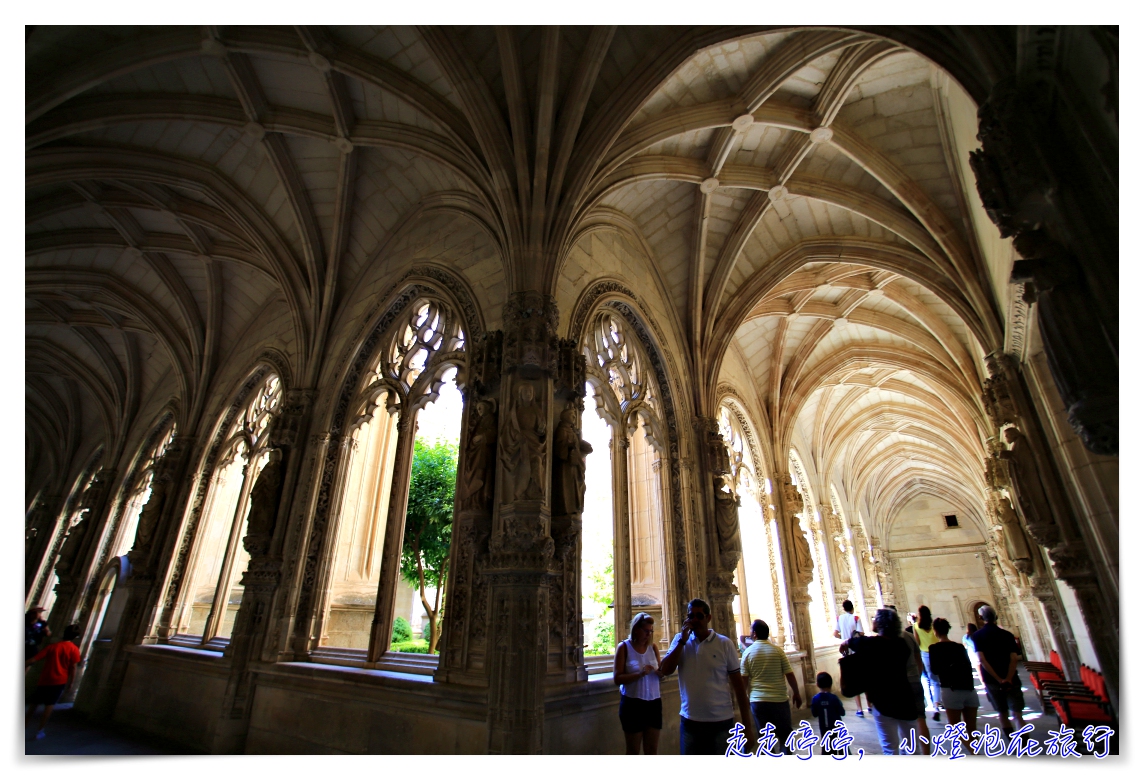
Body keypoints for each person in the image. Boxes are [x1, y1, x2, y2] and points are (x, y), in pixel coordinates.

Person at [659, 598, 756, 754]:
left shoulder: (725, 644)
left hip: (721, 722)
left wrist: (747, 727)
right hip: (690, 721)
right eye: (691, 616)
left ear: (708, 618)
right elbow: (664, 670)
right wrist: (682, 642)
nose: (695, 620)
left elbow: (739, 687)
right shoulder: (680, 641)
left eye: (699, 616)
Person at [842, 609, 918, 755]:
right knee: (912, 747)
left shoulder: (874, 644)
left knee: (890, 748)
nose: (872, 620)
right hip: (905, 699)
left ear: (881, 623)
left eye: (875, 618)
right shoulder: (901, 644)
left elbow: (857, 642)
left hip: (884, 702)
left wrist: (846, 642)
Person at [740, 619, 801, 753]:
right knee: (785, 736)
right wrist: (796, 693)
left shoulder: (748, 653)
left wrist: (743, 699)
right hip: (779, 700)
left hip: (758, 702)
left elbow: (743, 680)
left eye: (751, 631)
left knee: (765, 738)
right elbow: (789, 674)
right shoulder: (778, 651)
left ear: (755, 634)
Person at [970, 605, 1027, 736]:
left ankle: (1013, 743)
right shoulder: (1007, 635)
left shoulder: (978, 636)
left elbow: (982, 659)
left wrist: (998, 679)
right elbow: (1013, 658)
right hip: (1011, 679)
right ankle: (1024, 744)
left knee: (1002, 713)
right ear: (996, 616)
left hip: (992, 680)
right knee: (1017, 714)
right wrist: (1008, 678)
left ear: (980, 618)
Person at [613, 611, 663, 754]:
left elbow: (660, 671)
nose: (649, 634)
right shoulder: (624, 647)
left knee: (652, 750)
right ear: (636, 629)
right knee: (633, 751)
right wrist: (639, 674)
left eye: (651, 631)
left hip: (653, 702)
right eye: (646, 631)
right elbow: (617, 678)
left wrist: (661, 673)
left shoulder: (652, 648)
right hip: (633, 704)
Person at [928, 618, 980, 753]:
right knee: (972, 728)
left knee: (955, 727)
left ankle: (975, 753)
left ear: (935, 631)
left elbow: (934, 670)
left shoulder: (934, 648)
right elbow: (968, 667)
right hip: (968, 688)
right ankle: (976, 750)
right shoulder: (959, 647)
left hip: (950, 689)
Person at [25, 624, 82, 740]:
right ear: (76, 637)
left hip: (45, 679)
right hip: (59, 681)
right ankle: (40, 730)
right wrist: (71, 682)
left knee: (33, 705)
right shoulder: (74, 649)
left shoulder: (53, 647)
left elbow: (34, 658)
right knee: (49, 705)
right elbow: (73, 667)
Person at [833, 599, 866, 717]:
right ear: (852, 608)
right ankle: (870, 705)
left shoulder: (839, 618)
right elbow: (861, 634)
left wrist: (844, 638)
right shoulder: (855, 618)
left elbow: (835, 634)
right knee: (863, 677)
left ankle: (859, 709)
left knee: (853, 679)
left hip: (846, 652)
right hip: (857, 650)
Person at [914, 605, 941, 721]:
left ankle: (930, 703)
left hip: (924, 654)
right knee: (936, 681)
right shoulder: (934, 625)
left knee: (925, 679)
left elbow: (917, 643)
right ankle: (937, 704)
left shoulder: (916, 626)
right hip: (936, 652)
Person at [810, 672, 846, 755]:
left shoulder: (815, 699)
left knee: (826, 748)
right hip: (836, 728)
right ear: (831, 684)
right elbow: (842, 712)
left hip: (823, 728)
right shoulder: (834, 698)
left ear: (817, 685)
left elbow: (814, 713)